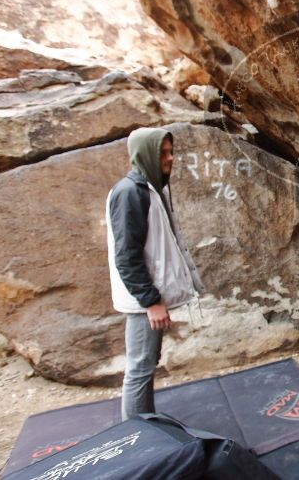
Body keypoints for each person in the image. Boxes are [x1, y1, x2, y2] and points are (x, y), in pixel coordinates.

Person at [106, 128, 205, 420]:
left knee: (147, 363)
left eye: (170, 151)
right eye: (163, 152)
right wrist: (151, 301)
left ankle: (144, 424)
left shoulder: (152, 188)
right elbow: (126, 256)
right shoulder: (130, 193)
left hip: (148, 297)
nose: (170, 158)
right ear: (145, 153)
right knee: (139, 367)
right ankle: (137, 436)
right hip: (142, 301)